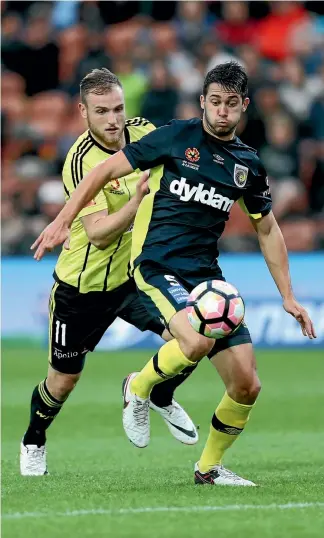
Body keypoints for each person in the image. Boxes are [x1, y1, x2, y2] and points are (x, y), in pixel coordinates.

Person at [31, 62, 316, 486]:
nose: (222, 112)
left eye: (231, 105)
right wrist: (61, 220)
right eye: (215, 102)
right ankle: (139, 386)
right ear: (203, 102)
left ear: (244, 107)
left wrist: (288, 296)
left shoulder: (247, 164)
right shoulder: (174, 137)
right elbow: (104, 171)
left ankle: (208, 469)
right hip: (156, 265)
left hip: (207, 276)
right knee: (195, 339)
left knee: (247, 385)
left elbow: (267, 228)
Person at [20, 68, 199, 477]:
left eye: (118, 108)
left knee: (193, 337)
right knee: (62, 383)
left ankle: (153, 391)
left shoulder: (145, 132)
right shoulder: (81, 161)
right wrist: (137, 203)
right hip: (82, 288)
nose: (113, 119)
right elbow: (98, 235)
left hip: (135, 278)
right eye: (102, 111)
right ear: (83, 112)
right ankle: (33, 440)